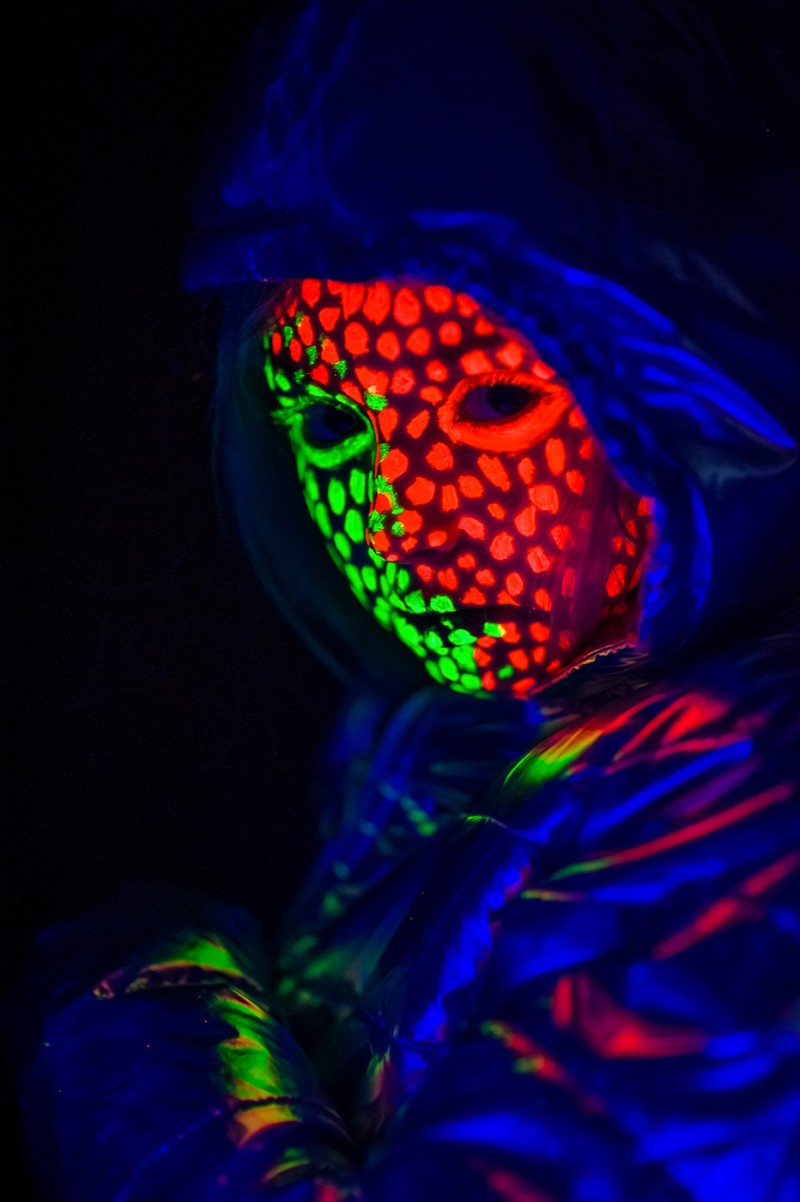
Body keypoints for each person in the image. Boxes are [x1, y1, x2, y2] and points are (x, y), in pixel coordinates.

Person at [9, 2, 800, 1199]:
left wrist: (138, 1010)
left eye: (492, 403)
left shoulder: (746, 782)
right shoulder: (435, 734)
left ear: (673, 398)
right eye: (333, 422)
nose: (402, 515)